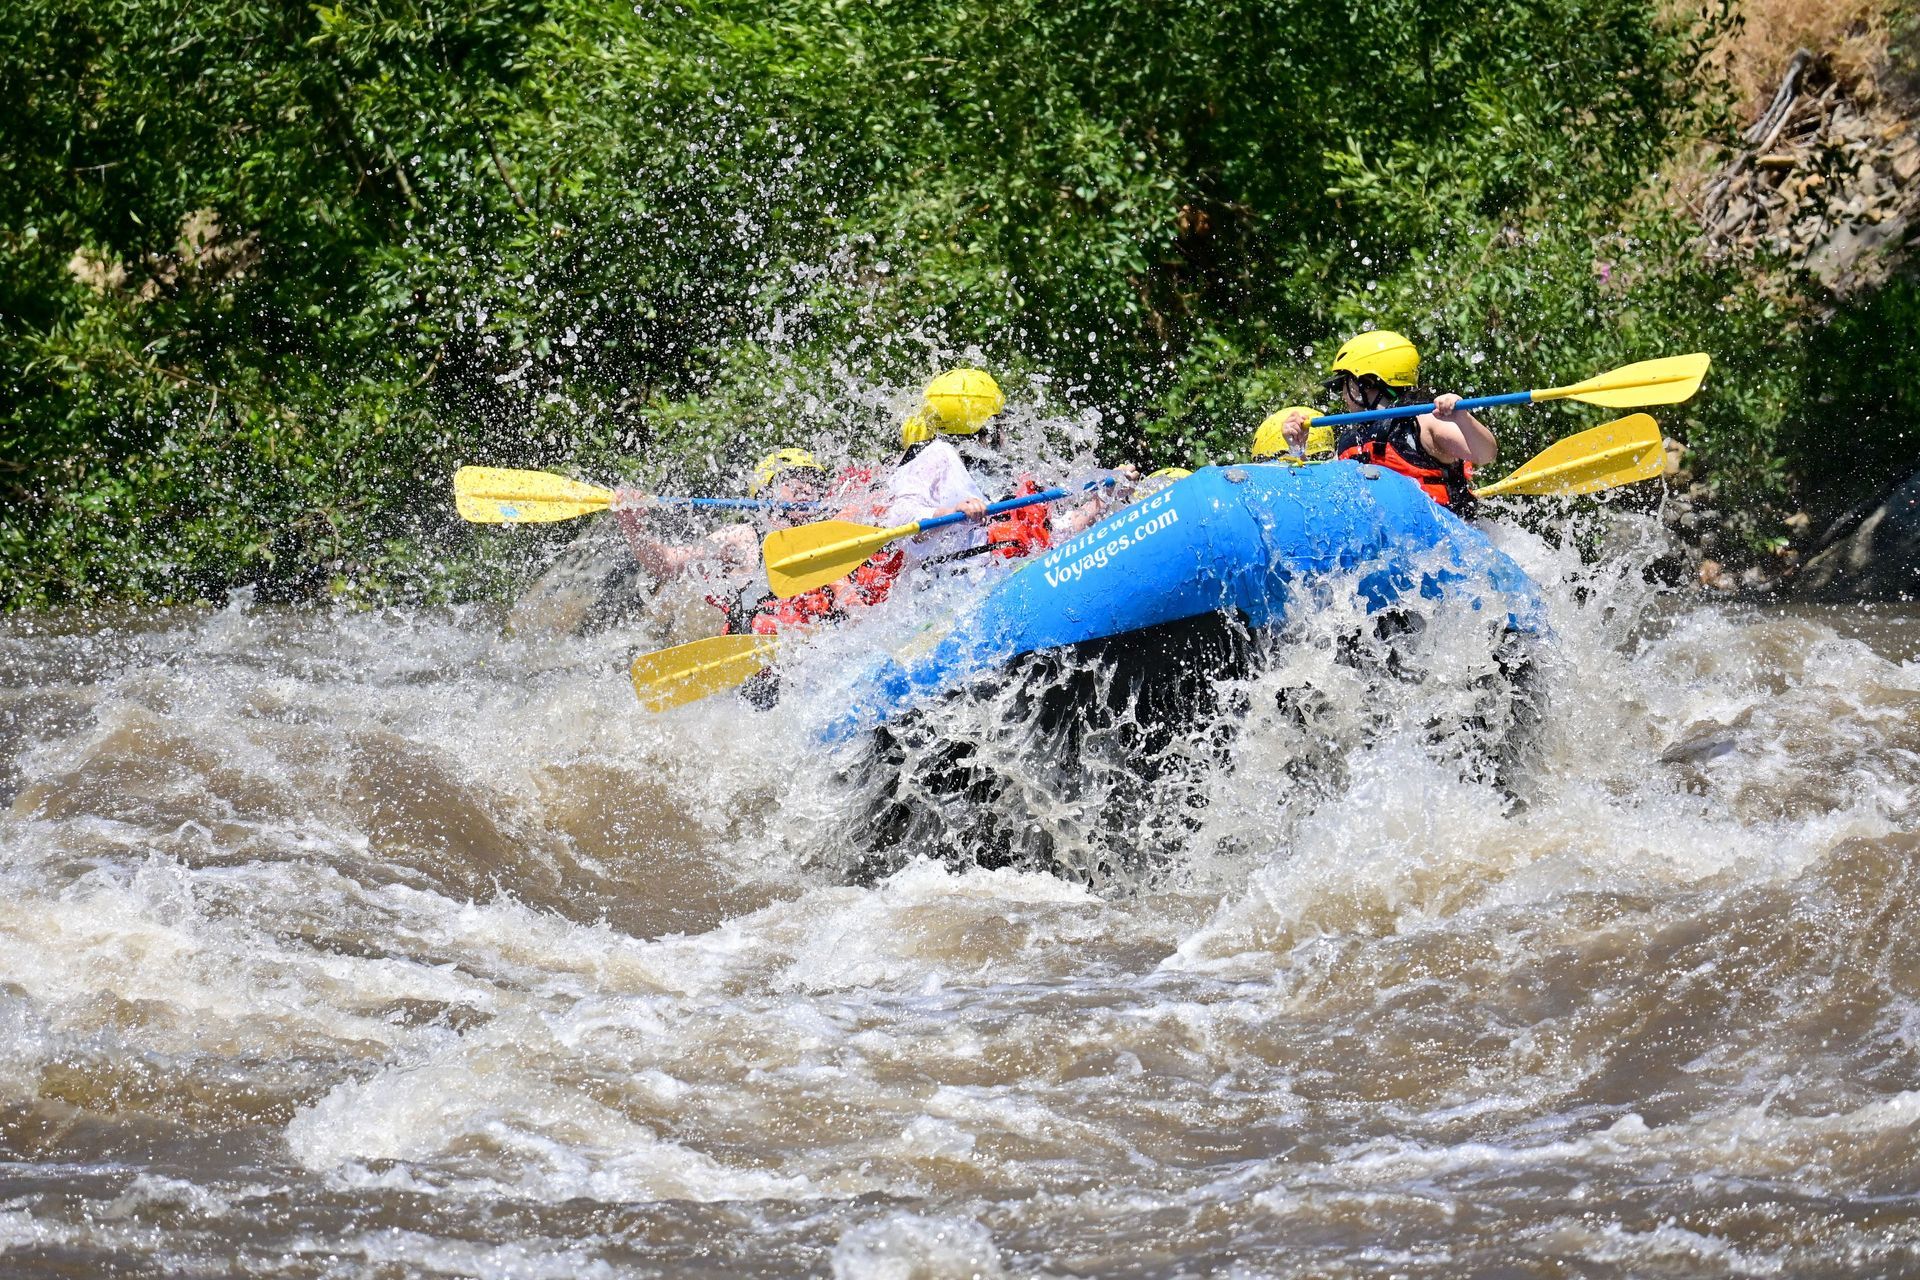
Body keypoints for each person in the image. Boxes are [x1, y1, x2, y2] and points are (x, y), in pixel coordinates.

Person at [1268, 330, 1496, 511]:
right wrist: (1298, 450)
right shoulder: (1352, 440)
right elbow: (1324, 497)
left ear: (1366, 382)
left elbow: (1486, 454)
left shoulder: (1426, 421)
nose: (1343, 395)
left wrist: (1462, 417)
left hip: (1449, 538)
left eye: (1344, 384)